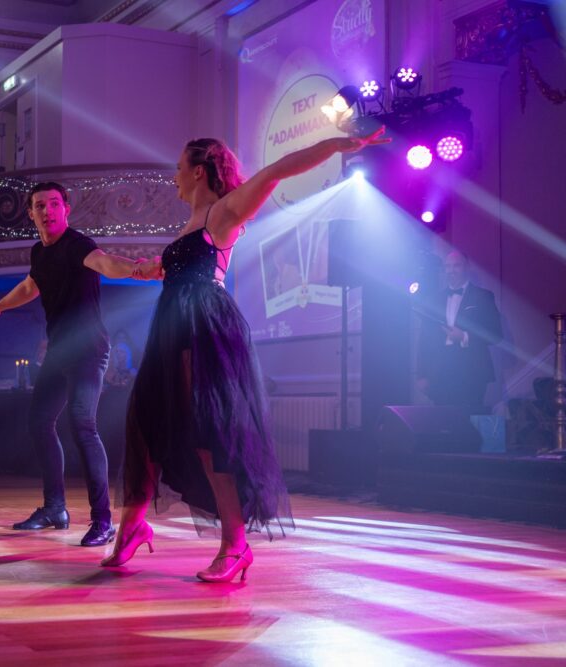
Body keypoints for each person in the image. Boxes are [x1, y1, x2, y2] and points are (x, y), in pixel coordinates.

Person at [103, 129, 388, 581]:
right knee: (143, 420)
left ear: (199, 170)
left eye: (179, 168)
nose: (174, 177)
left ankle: (235, 545)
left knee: (208, 432)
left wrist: (334, 146)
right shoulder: (190, 224)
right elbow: (161, 271)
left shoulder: (224, 212)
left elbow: (276, 172)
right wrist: (115, 264)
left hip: (204, 325)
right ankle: (133, 526)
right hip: (172, 324)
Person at [0, 181, 145, 547]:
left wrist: (136, 268)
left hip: (89, 348)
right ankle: (55, 508)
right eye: (40, 205)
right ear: (31, 213)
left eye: (54, 204)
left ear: (66, 209)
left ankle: (103, 521)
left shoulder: (77, 245)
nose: (47, 210)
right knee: (39, 421)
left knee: (82, 424)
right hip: (59, 351)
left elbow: (104, 263)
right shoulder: (39, 252)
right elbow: (30, 286)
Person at [416, 250, 502, 410]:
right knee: (442, 423)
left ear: (466, 268)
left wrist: (464, 336)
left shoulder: (483, 297)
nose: (451, 270)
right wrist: (421, 375)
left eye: (456, 265)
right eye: (447, 266)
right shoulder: (434, 300)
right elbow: (424, 340)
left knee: (469, 421)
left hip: (471, 369)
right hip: (439, 370)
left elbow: (496, 334)